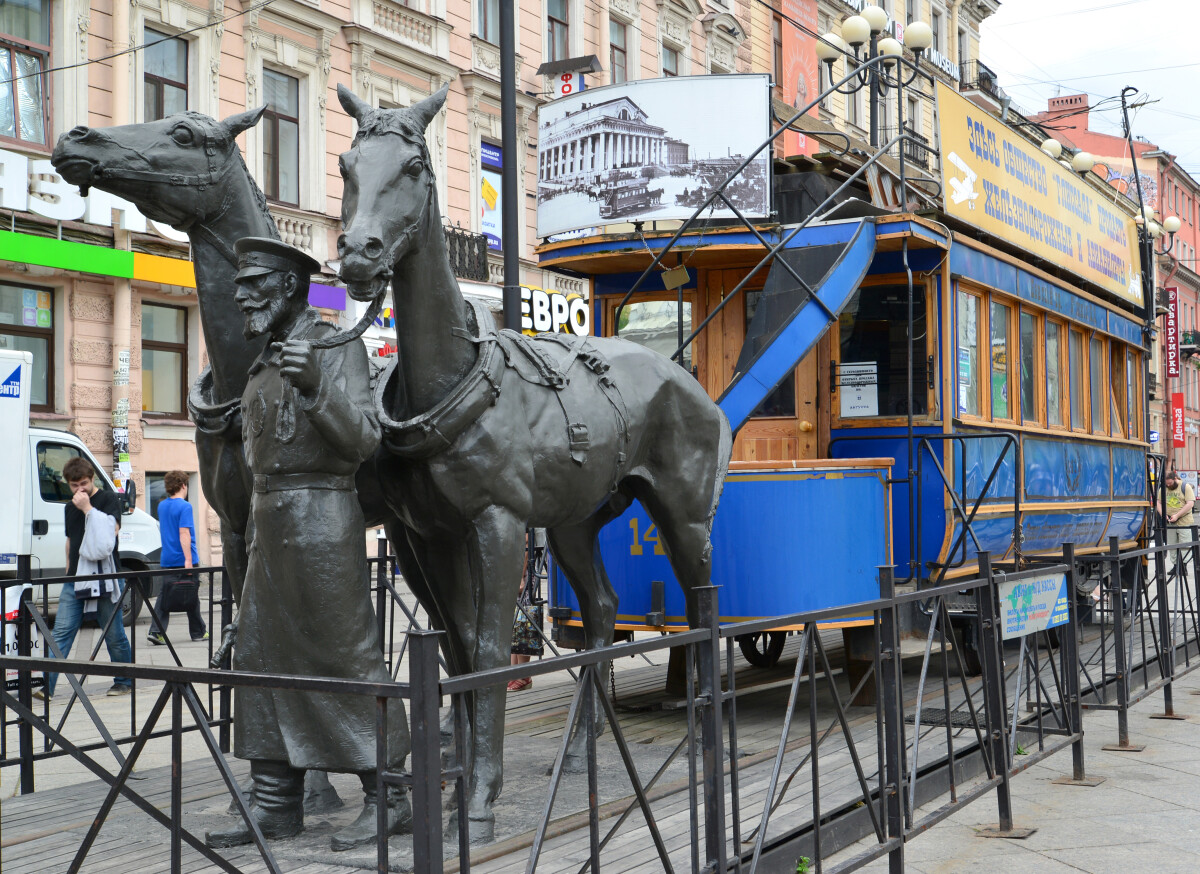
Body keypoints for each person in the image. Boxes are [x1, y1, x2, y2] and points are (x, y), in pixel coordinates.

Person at [204, 238, 409, 853]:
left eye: (253, 284)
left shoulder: (333, 346)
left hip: (322, 518)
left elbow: (363, 441)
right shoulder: (261, 362)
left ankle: (390, 797)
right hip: (270, 523)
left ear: (289, 287)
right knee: (260, 658)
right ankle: (276, 803)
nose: (242, 296)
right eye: (239, 285)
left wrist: (319, 384)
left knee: (342, 656)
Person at [37, 456, 133, 700]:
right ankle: (45, 687)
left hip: (106, 575)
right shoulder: (69, 507)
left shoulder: (108, 499)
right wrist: (68, 572)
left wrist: (88, 508)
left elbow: (110, 535)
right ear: (67, 484)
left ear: (92, 480)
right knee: (61, 632)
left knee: (113, 632)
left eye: (84, 483)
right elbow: (71, 541)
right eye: (74, 485)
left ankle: (124, 681)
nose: (80, 489)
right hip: (76, 577)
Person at [147, 470, 208, 645]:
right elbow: (184, 534)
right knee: (191, 593)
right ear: (183, 485)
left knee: (164, 595)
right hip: (184, 559)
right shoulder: (185, 506)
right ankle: (197, 632)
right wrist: (188, 560)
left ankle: (156, 631)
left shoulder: (162, 506)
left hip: (167, 559)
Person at [1162, 470, 1196, 581]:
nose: (1168, 485)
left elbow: (1190, 503)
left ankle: (1183, 566)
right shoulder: (1164, 487)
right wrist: (1164, 515)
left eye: (1170, 483)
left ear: (1175, 478)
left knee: (1185, 543)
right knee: (1172, 543)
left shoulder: (1185, 487)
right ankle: (1176, 566)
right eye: (1167, 484)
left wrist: (1177, 515)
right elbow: (1158, 502)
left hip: (1184, 521)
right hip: (1170, 521)